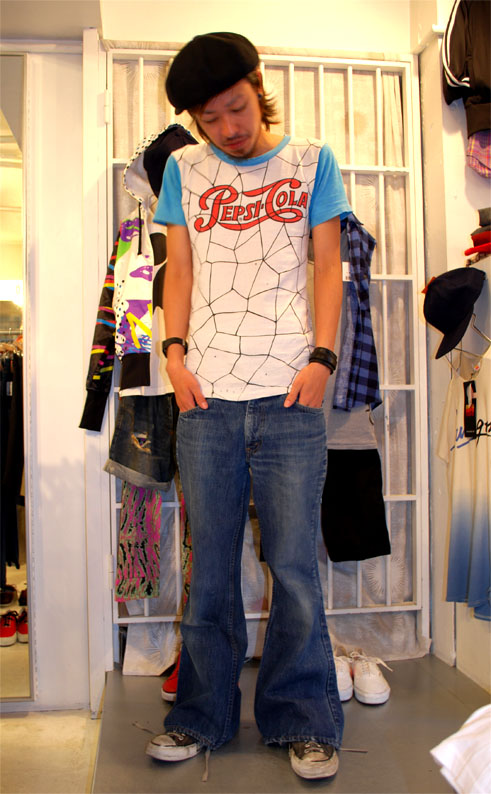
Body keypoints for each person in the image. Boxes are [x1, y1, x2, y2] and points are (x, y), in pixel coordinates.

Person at [146, 31, 352, 781]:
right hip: (206, 398)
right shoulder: (184, 169)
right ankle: (199, 717)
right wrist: (173, 355)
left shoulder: (312, 161)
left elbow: (327, 265)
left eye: (235, 108)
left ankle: (302, 721)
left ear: (257, 86)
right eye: (209, 118)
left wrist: (323, 358)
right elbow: (179, 269)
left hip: (291, 395)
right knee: (209, 569)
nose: (228, 128)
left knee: (293, 566)